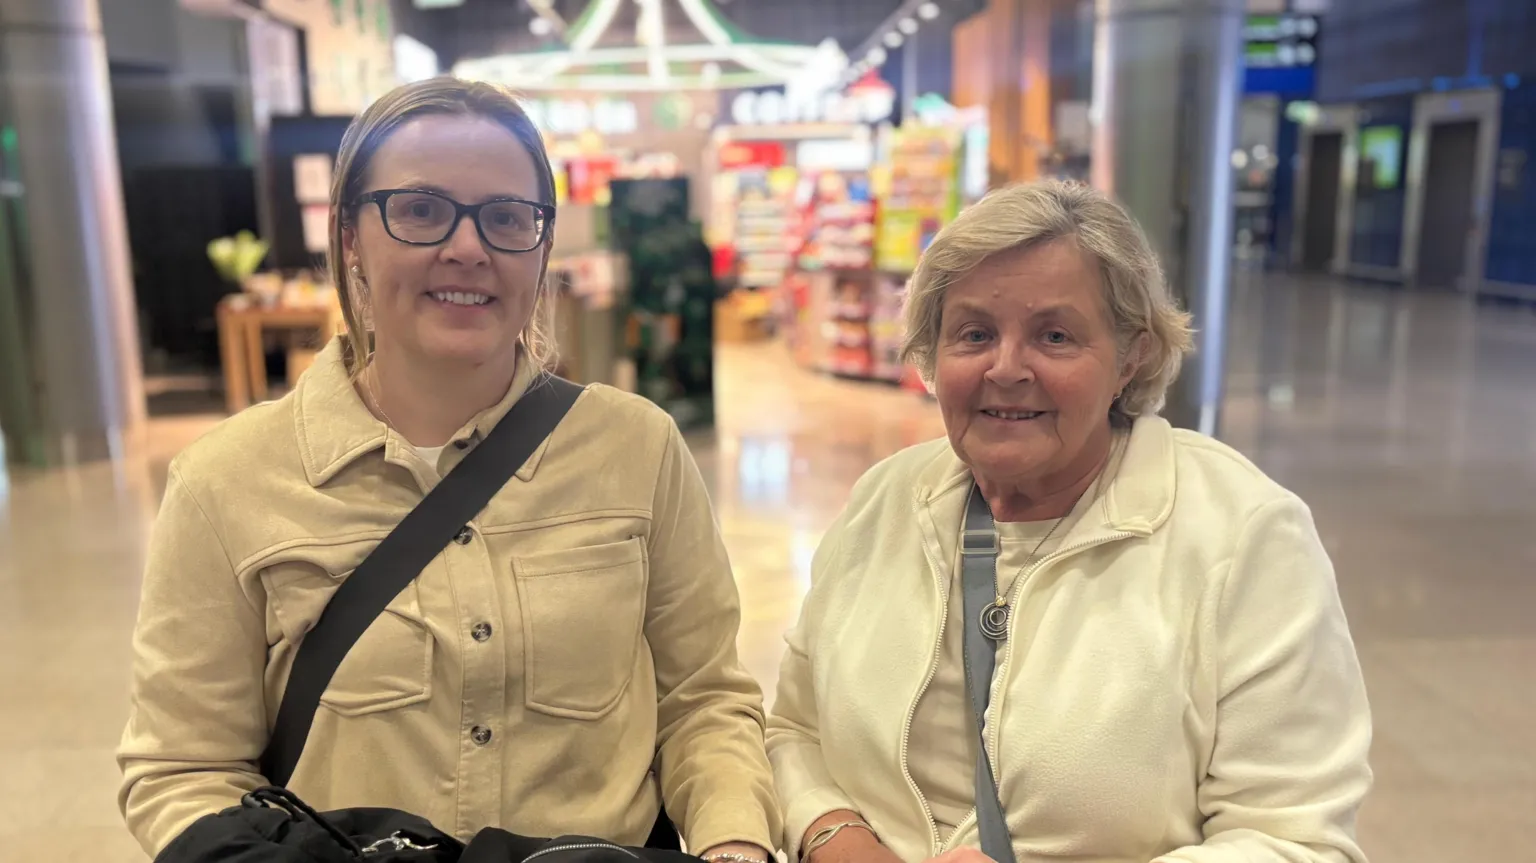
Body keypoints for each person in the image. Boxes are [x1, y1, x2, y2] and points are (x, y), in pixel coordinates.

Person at [118, 77, 780, 863]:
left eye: (506, 217)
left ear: (542, 248)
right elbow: (183, 767)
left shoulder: (637, 448)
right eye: (422, 209)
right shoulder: (225, 482)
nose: (467, 247)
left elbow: (703, 701)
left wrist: (735, 842)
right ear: (351, 238)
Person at [766, 180, 1371, 863]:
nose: (1005, 368)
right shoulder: (886, 499)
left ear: (1131, 355)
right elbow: (794, 728)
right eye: (974, 333)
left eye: (1054, 336)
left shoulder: (1245, 536)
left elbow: (1294, 838)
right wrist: (836, 835)